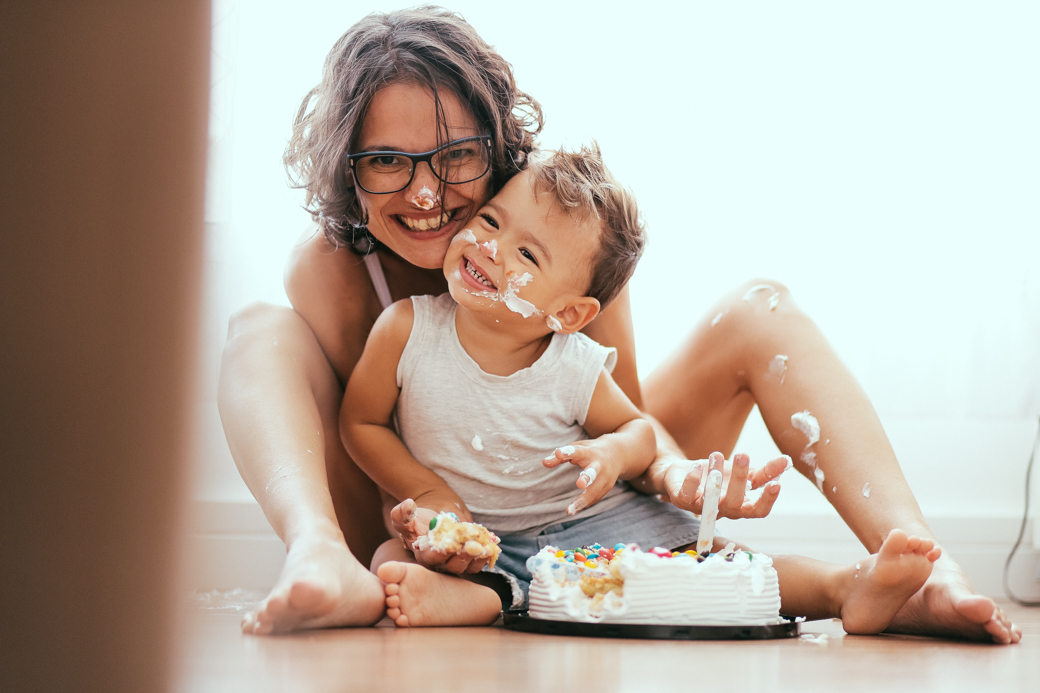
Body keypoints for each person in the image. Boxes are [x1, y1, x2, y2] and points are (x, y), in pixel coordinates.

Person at [218, 6, 1019, 642]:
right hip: (437, 528)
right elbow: (365, 450)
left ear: (497, 146)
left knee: (760, 305)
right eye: (387, 161)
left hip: (586, 499)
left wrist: (678, 478)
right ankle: (314, 556)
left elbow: (627, 427)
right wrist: (429, 536)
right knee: (258, 326)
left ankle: (924, 570)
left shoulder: (571, 243)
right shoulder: (334, 271)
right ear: (346, 168)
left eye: (458, 154)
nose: (427, 194)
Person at [338, 146, 943, 630]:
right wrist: (425, 490)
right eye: (491, 219)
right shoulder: (407, 330)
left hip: (599, 530)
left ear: (569, 314)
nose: (489, 247)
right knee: (390, 561)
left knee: (726, 571)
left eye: (525, 253)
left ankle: (844, 588)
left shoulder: (570, 363)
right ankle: (486, 599)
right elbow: (359, 423)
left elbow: (639, 431)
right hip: (485, 543)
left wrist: (610, 455)